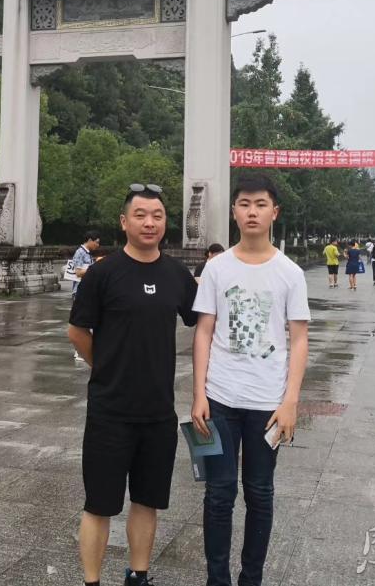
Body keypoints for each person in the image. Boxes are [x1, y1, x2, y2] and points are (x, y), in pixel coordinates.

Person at [68, 183, 198, 586]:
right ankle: (91, 580)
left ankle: (138, 576)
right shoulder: (103, 273)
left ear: (165, 223)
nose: (149, 222)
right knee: (99, 504)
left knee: (147, 501)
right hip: (110, 411)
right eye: (140, 215)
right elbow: (77, 331)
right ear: (124, 222)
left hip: (158, 412)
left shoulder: (176, 275)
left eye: (157, 216)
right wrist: (105, 366)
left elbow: (202, 320)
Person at [191, 174, 310, 586]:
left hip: (267, 404)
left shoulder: (289, 272)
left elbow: (299, 339)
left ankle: (251, 579)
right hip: (220, 399)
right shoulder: (216, 268)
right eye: (244, 204)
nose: (252, 212)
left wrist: (290, 401)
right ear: (234, 212)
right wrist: (199, 394)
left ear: (274, 212)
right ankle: (217, 579)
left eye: (260, 204)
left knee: (259, 492)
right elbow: (204, 331)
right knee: (218, 493)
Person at [71, 231, 101, 361]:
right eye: (96, 242)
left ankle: (84, 350)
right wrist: (96, 267)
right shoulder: (80, 253)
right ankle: (79, 351)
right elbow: (78, 272)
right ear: (89, 240)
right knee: (81, 322)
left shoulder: (87, 253)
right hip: (80, 291)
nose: (97, 245)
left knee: (88, 321)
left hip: (87, 290)